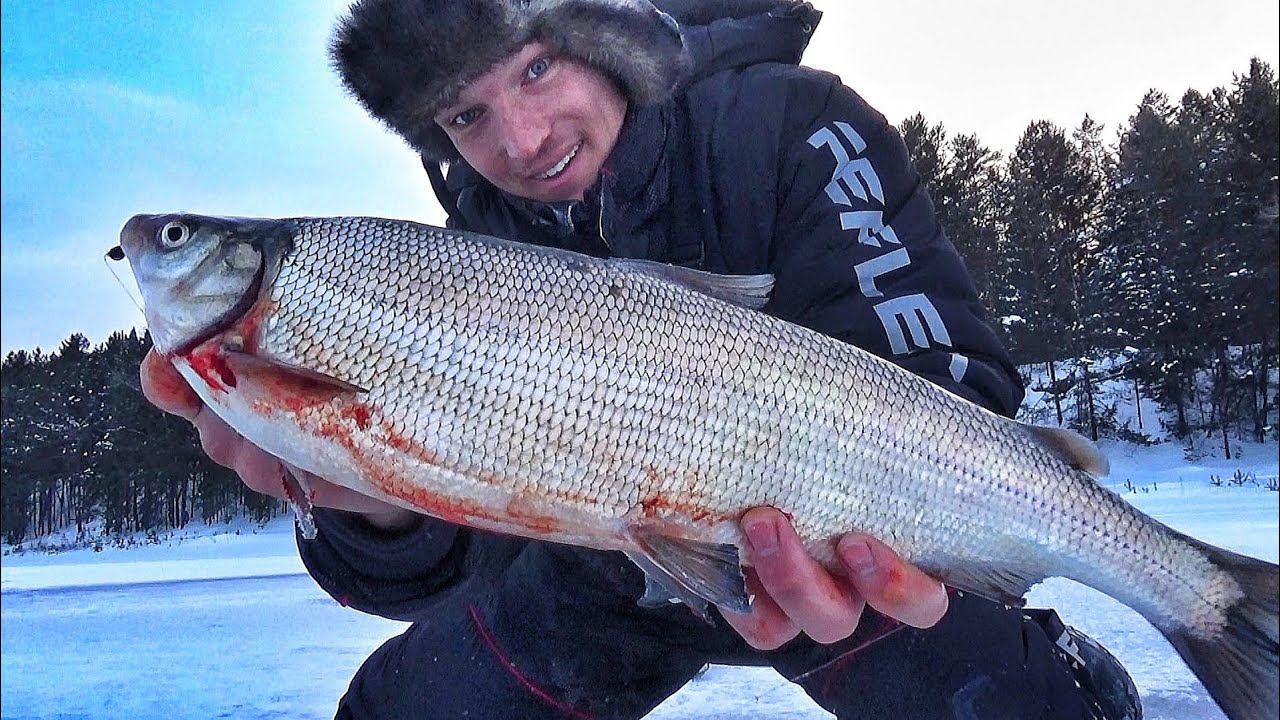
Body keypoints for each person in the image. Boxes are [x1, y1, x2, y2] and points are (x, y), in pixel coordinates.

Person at [141, 1, 1142, 718]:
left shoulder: (790, 124)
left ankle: (1084, 668)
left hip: (847, 555)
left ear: (605, 33)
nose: (523, 141)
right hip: (615, 578)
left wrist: (916, 530)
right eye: (466, 114)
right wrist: (374, 505)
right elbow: (474, 556)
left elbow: (945, 382)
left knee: (1001, 705)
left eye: (535, 68)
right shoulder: (455, 268)